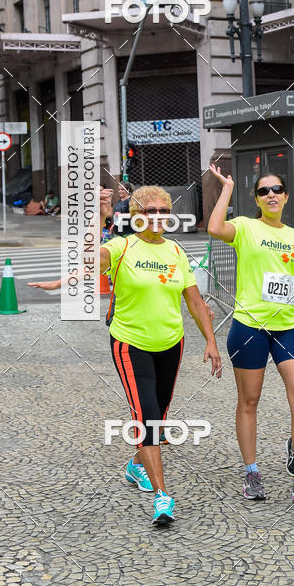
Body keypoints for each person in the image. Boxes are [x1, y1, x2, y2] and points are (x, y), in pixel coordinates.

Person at [207, 162, 294, 505]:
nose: (271, 195)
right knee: (249, 401)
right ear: (257, 199)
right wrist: (227, 189)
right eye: (264, 191)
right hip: (250, 326)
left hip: (288, 327)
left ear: (286, 196)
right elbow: (215, 227)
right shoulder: (245, 227)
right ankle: (251, 471)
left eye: (277, 190)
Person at [101, 185, 222, 526]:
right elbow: (90, 258)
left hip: (171, 343)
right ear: (136, 216)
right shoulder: (121, 246)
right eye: (148, 211)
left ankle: (136, 465)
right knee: (148, 418)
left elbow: (195, 301)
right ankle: (162, 497)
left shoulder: (175, 251)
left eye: (161, 211)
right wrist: (98, 216)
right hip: (130, 344)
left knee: (159, 414)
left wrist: (210, 342)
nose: (156, 217)